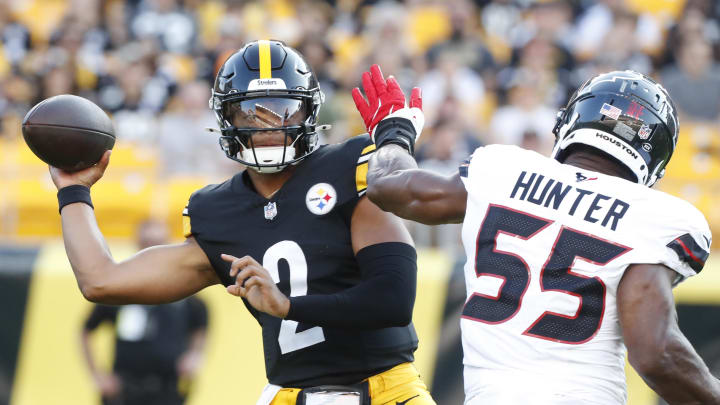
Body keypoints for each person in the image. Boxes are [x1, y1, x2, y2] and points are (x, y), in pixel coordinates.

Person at [51, 40, 435, 405]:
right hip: (290, 393)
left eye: (283, 109)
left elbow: (393, 300)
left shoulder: (347, 169)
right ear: (226, 118)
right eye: (250, 112)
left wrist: (288, 306)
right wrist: (73, 191)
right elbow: (101, 281)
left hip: (387, 389)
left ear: (309, 113)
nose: (268, 126)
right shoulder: (217, 211)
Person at [353, 66, 720, 404]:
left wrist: (394, 132)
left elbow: (390, 187)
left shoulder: (502, 168)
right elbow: (656, 353)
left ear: (573, 120)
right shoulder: (660, 217)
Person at [80, 219, 208, 405]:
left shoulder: (183, 291)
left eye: (157, 243)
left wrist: (195, 355)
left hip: (167, 391)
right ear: (138, 244)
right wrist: (98, 376)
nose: (152, 248)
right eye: (147, 242)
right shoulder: (118, 289)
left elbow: (201, 325)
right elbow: (86, 331)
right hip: (123, 392)